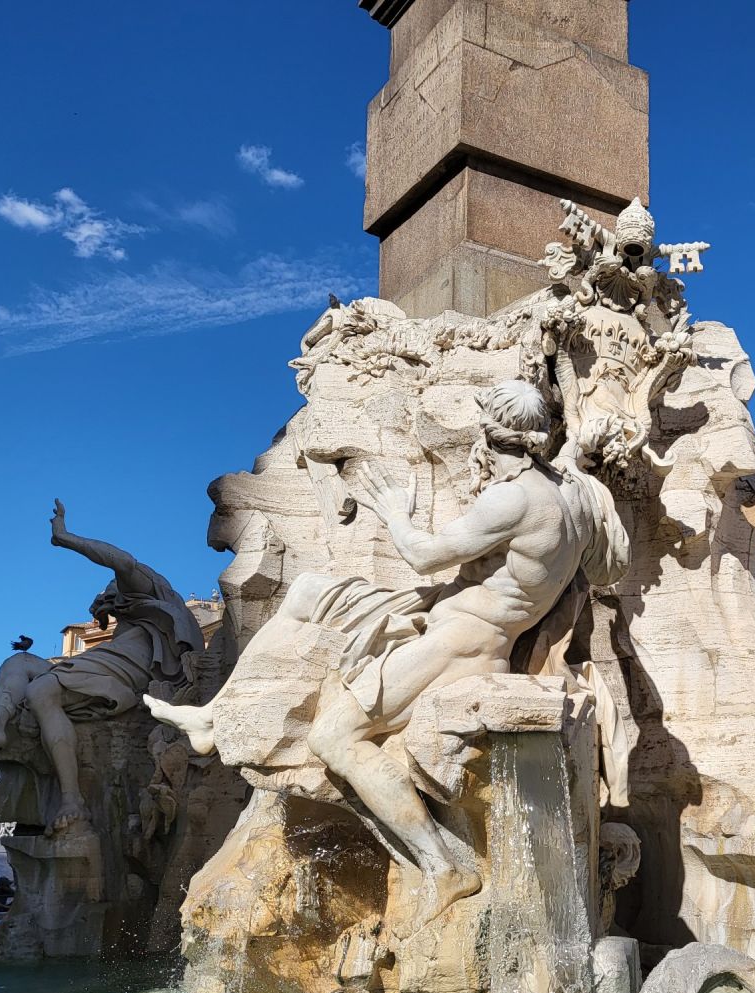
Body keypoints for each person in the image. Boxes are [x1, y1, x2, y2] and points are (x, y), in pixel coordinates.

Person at [148, 381, 630, 931]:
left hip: (464, 644)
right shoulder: (569, 494)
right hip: (443, 616)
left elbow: (424, 555)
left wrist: (394, 511)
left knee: (333, 737)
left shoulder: (514, 498)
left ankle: (444, 866)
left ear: (488, 434)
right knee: (307, 590)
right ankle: (213, 716)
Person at [0, 501, 206, 835]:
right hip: (96, 669)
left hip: (123, 676)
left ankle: (72, 799)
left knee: (40, 688)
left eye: (109, 591)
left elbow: (121, 560)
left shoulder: (148, 590)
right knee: (18, 661)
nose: (104, 596)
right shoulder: (129, 622)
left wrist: (65, 537)